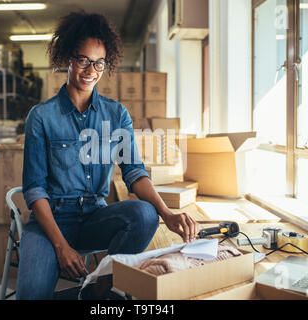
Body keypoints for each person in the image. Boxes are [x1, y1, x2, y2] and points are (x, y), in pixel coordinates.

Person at [16, 11, 200, 300]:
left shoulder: (117, 115)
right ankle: (100, 293)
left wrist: (167, 213)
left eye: (99, 63)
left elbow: (135, 173)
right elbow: (34, 188)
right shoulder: (41, 117)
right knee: (30, 296)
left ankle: (100, 288)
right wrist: (61, 246)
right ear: (67, 58)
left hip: (94, 217)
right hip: (52, 219)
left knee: (144, 214)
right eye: (83, 60)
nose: (91, 70)